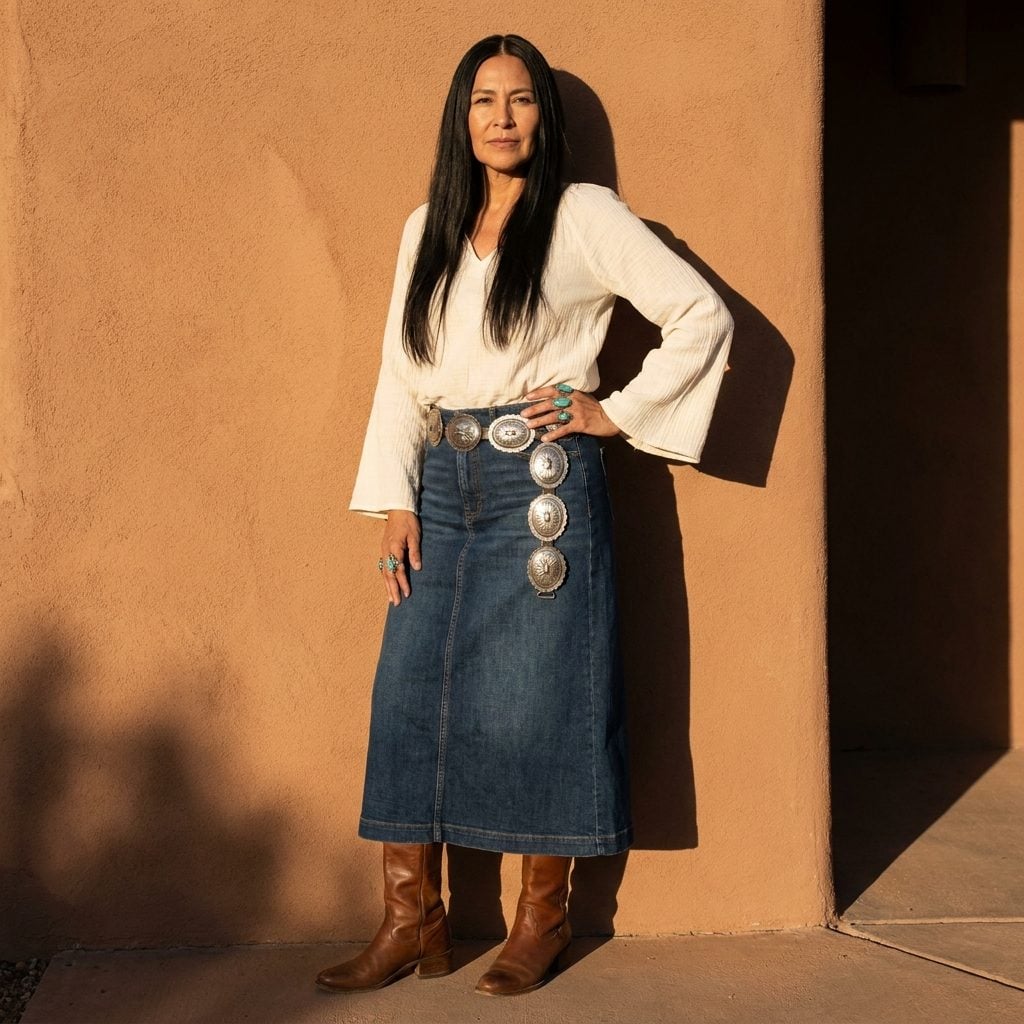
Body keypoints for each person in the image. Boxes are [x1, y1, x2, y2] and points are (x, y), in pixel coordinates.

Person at [316, 33, 733, 997]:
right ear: (460, 120)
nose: (500, 118)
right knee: (408, 694)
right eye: (481, 101)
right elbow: (399, 376)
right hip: (439, 487)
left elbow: (698, 315)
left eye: (519, 100)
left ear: (544, 116)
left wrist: (612, 412)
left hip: (541, 483)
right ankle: (409, 920)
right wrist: (393, 499)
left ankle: (539, 921)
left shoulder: (583, 215)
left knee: (548, 701)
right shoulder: (426, 227)